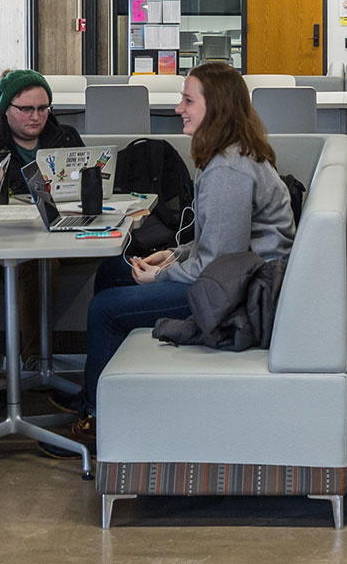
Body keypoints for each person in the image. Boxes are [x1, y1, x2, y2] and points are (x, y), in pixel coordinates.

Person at [68, 62, 297, 445]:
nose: (179, 109)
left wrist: (161, 276)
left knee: (104, 310)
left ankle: (98, 420)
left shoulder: (229, 170)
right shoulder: (231, 156)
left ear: (217, 108)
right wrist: (172, 254)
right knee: (111, 271)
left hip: (242, 298)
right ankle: (94, 395)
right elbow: (217, 242)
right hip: (236, 278)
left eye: (188, 100)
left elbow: (220, 266)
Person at [0, 68, 84, 199]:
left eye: (42, 108)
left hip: (64, 214)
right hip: (6, 218)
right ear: (6, 109)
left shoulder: (67, 138)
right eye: (26, 109)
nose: (36, 116)